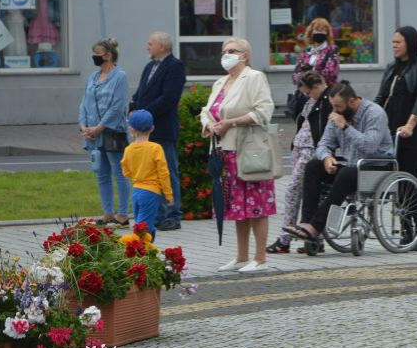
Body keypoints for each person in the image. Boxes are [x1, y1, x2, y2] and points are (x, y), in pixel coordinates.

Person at [200, 38, 276, 274]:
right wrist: (209, 125)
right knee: (236, 206)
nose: (226, 55)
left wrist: (230, 123)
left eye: (232, 51)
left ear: (245, 55)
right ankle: (242, 256)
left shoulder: (253, 77)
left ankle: (260, 258)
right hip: (223, 151)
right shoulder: (221, 82)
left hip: (248, 150)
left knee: (256, 204)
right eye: (224, 51)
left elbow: (264, 111)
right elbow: (207, 111)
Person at [282, 82, 392, 244]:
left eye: (339, 106)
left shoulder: (375, 113)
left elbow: (369, 146)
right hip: (351, 166)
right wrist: (327, 158)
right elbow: (323, 144)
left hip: (377, 165)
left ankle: (316, 227)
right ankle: (306, 222)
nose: (335, 111)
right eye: (333, 106)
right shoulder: (337, 115)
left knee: (346, 174)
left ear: (353, 102)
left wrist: (345, 127)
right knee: (313, 166)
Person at [267, 70, 331, 254]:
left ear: (317, 86)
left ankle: (285, 239)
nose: (307, 96)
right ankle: (314, 239)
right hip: (301, 147)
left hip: (311, 149)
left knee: (293, 190)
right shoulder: (314, 100)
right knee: (309, 194)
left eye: (308, 92)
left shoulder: (328, 100)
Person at [130, 31, 186, 232]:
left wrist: (144, 113)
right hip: (145, 129)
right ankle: (157, 214)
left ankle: (172, 215)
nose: (147, 47)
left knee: (167, 172)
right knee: (149, 172)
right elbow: (141, 92)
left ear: (162, 46)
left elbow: (169, 98)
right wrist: (133, 108)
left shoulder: (174, 66)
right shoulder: (149, 66)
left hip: (162, 128)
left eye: (150, 43)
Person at [79, 37, 131, 227]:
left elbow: (117, 107)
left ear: (108, 55)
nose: (94, 57)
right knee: (101, 174)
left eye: (97, 54)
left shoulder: (120, 76)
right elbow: (84, 103)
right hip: (93, 135)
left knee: (119, 173)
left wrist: (99, 127)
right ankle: (108, 212)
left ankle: (123, 214)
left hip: (112, 133)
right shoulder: (93, 77)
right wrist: (83, 125)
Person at [375, 26, 417, 177]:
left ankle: (411, 201)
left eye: (398, 42)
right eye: (393, 42)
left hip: (412, 133)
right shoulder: (391, 67)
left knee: (407, 179)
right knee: (389, 179)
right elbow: (381, 97)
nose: (394, 45)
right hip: (390, 130)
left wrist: (410, 125)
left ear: (410, 43)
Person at [119, 110, 172, 242]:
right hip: (151, 192)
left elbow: (125, 171)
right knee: (143, 229)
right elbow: (163, 173)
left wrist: (135, 174)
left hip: (136, 190)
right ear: (152, 128)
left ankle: (147, 248)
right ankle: (140, 254)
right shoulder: (156, 148)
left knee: (142, 223)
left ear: (131, 129)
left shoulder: (128, 149)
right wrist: (168, 194)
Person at [289, 17, 340, 117]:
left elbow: (330, 72)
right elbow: (295, 76)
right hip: (304, 96)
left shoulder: (332, 50)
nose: (319, 33)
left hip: (324, 96)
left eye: (323, 30)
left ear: (327, 33)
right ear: (311, 32)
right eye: (317, 30)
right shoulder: (306, 52)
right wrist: (311, 75)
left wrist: (308, 72)